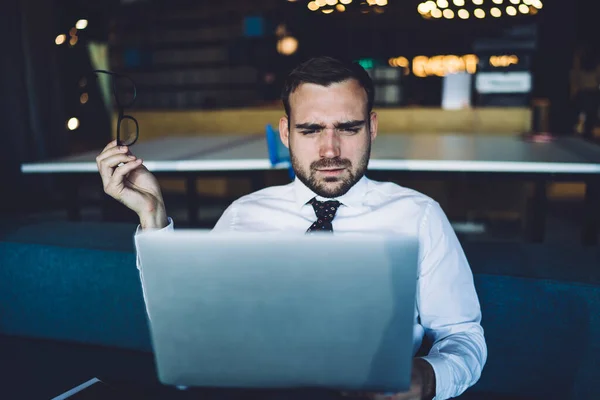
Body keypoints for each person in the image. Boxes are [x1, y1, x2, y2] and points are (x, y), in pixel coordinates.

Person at [96, 56, 487, 400]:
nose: (330, 150)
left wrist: (429, 377)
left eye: (348, 128)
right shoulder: (241, 215)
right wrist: (152, 216)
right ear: (286, 133)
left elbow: (463, 337)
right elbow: (185, 330)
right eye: (311, 130)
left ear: (372, 127)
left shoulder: (419, 215)